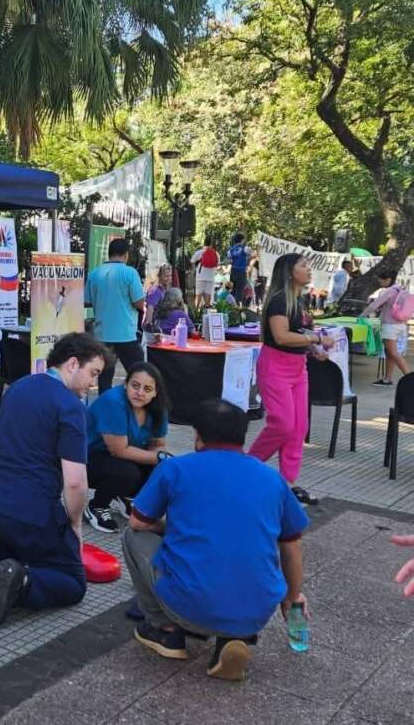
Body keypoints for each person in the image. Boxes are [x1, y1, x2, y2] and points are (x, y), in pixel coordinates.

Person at [122, 399, 309, 681]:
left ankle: (165, 631)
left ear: (197, 436)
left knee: (132, 536)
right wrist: (293, 597)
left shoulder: (176, 469)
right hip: (257, 610)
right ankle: (233, 638)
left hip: (189, 606)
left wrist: (171, 530)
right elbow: (292, 543)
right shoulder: (273, 480)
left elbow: (138, 521)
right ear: (243, 436)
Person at [0, 333, 110, 627]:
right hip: (30, 513)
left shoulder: (19, 387)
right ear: (73, 364)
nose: (93, 384)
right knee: (72, 582)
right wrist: (73, 524)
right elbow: (75, 483)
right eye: (93, 373)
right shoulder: (71, 407)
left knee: (7, 559)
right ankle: (21, 587)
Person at [249, 253, 335, 506]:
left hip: (298, 368)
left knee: (299, 428)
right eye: (304, 266)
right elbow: (282, 336)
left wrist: (313, 349)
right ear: (289, 271)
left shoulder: (299, 301)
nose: (309, 270)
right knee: (282, 424)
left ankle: (288, 483)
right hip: (276, 366)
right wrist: (317, 340)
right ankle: (246, 466)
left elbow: (298, 334)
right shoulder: (278, 301)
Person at [83, 362, 169, 534]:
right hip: (86, 458)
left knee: (162, 468)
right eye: (135, 386)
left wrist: (160, 461)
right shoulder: (113, 402)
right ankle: (96, 507)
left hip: (118, 458)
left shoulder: (158, 409)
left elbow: (157, 444)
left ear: (155, 392)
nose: (139, 393)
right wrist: (161, 458)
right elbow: (118, 450)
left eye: (147, 389)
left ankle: (126, 498)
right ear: (125, 384)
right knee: (129, 473)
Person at [84, 239, 145, 394]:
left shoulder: (95, 273)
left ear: (109, 253)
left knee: (104, 379)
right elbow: (139, 303)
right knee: (139, 374)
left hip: (102, 334)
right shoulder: (130, 273)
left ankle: (105, 410)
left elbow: (87, 301)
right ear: (126, 255)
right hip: (125, 334)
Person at [360, 270, 411, 386]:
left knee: (393, 353)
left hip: (390, 326)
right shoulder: (400, 289)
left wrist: (361, 316)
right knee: (390, 353)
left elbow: (374, 305)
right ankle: (387, 379)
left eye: (381, 280)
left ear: (388, 279)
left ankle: (410, 378)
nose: (379, 282)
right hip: (400, 325)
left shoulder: (389, 291)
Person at [191, 238, 219, 308]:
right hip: (210, 277)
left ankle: (196, 312)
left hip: (200, 276)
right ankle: (206, 312)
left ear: (204, 243)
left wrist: (195, 270)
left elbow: (192, 262)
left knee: (198, 295)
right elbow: (217, 265)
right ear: (211, 244)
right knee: (208, 295)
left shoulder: (199, 252)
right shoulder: (216, 253)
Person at [143, 263, 173, 331]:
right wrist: (149, 324)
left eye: (170, 276)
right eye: (166, 276)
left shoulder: (163, 289)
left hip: (158, 326)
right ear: (159, 276)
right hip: (152, 328)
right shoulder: (155, 290)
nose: (169, 278)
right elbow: (150, 308)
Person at [227, 233, 252, 303]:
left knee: (232, 290)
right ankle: (238, 308)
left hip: (233, 272)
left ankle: (230, 306)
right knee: (240, 291)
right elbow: (252, 254)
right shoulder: (245, 248)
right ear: (242, 240)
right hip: (241, 272)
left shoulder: (230, 250)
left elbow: (229, 260)